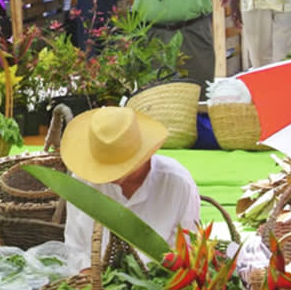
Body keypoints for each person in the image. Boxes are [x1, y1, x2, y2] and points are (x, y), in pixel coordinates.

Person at [61, 107, 200, 270]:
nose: (112, 177)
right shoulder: (82, 183)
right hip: (95, 284)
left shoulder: (177, 182)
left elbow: (188, 250)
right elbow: (75, 248)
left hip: (161, 285)